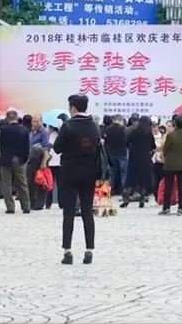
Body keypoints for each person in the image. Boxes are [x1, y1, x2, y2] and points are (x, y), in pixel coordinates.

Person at [52, 94, 101, 265]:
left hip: (70, 173)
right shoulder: (94, 126)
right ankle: (89, 250)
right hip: (89, 173)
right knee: (87, 211)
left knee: (69, 213)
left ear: (73, 107)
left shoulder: (68, 126)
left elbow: (57, 148)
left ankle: (68, 251)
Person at [0, 110, 31, 214]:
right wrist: (24, 159)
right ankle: (26, 206)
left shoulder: (3, 130)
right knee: (22, 183)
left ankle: (10, 207)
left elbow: (1, 144)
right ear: (17, 118)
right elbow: (27, 147)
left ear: (7, 119)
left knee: (6, 184)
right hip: (19, 159)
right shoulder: (24, 130)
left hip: (6, 159)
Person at [159, 114, 182, 215]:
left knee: (168, 186)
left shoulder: (171, 135)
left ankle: (166, 208)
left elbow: (165, 149)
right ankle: (181, 208)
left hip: (170, 164)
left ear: (175, 123)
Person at [123, 115, 155, 209]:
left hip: (134, 158)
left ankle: (126, 199)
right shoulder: (149, 133)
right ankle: (142, 200)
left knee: (131, 180)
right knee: (144, 180)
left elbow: (126, 142)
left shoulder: (134, 131)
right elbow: (153, 146)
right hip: (145, 158)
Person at [103, 116, 128, 196]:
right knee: (123, 173)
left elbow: (105, 142)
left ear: (113, 120)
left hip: (111, 154)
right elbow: (127, 141)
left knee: (112, 173)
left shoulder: (107, 129)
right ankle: (123, 190)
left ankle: (111, 190)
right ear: (120, 120)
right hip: (122, 153)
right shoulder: (124, 129)